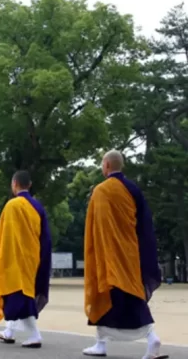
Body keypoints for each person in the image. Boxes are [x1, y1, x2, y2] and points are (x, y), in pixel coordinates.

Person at [82, 150, 167, 359]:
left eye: (102, 164)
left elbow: (94, 228)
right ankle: (101, 342)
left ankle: (151, 336)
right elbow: (144, 225)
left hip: (107, 257)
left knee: (110, 296)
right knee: (128, 295)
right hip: (130, 255)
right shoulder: (133, 189)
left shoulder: (101, 191)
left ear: (107, 166)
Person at [0, 170, 52, 348]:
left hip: (14, 258)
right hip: (32, 258)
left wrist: (1, 258)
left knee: (19, 296)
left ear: (14, 184)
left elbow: (5, 237)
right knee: (19, 295)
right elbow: (45, 237)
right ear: (29, 185)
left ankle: (34, 335)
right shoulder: (37, 206)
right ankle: (9, 331)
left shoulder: (12, 205)